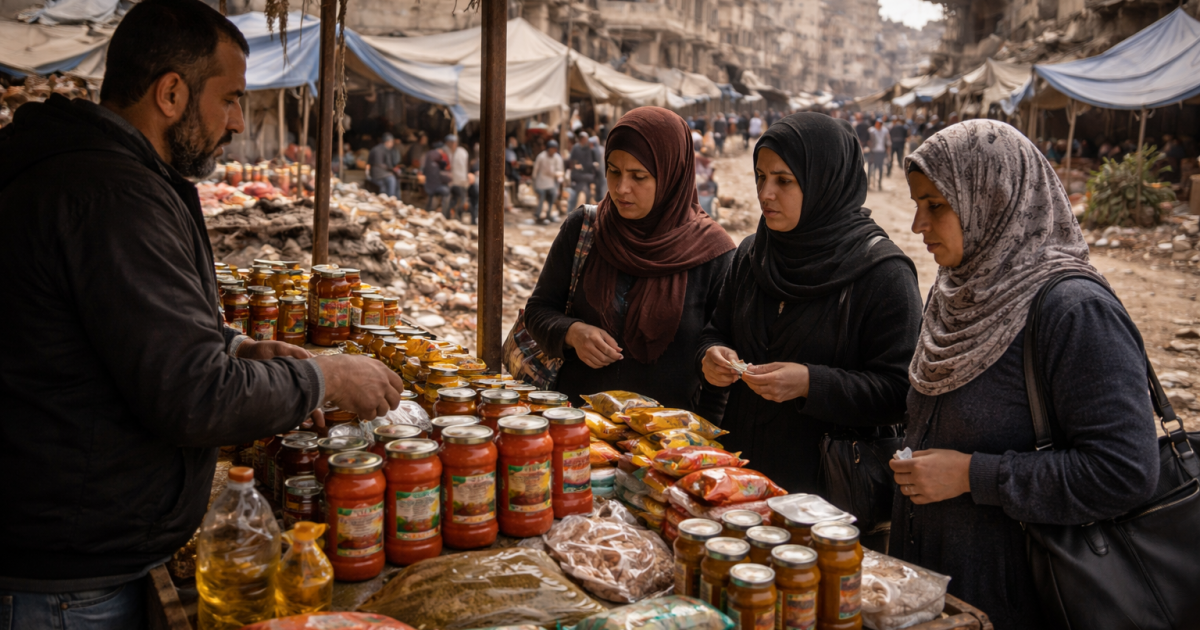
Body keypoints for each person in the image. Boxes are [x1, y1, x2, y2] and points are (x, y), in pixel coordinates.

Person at [0, 1, 405, 626]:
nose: (239, 122)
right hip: (67, 577)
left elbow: (113, 327)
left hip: (64, 544)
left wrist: (233, 345)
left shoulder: (91, 172)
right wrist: (328, 376)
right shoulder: (112, 196)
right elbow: (192, 397)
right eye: (231, 99)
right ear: (170, 93)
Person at [889, 120, 1160, 629]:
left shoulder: (1073, 311)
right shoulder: (953, 294)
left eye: (936, 206)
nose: (918, 225)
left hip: (1021, 599)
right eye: (917, 204)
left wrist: (974, 475)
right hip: (937, 594)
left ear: (993, 197)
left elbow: (1125, 471)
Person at [698, 113, 921, 494]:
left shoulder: (882, 273)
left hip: (822, 498)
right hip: (738, 480)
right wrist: (711, 354)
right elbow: (717, 328)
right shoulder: (754, 253)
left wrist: (809, 383)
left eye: (784, 180)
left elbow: (900, 392)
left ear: (825, 182)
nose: (765, 193)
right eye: (760, 177)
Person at [524, 107, 736, 415]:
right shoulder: (584, 228)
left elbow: (719, 366)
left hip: (664, 444)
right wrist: (573, 332)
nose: (622, 188)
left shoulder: (714, 253)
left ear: (671, 175)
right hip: (578, 430)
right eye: (613, 171)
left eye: (639, 176)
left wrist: (703, 442)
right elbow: (538, 310)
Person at [532, 139, 564, 224]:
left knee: (552, 198)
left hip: (551, 183)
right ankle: (538, 216)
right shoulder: (541, 157)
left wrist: (558, 178)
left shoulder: (557, 158)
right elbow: (535, 170)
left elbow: (560, 171)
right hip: (541, 182)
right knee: (541, 199)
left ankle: (549, 215)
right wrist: (534, 183)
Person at [567, 130, 597, 210]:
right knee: (578, 193)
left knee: (587, 192)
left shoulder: (587, 148)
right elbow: (572, 161)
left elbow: (589, 162)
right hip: (577, 175)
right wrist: (575, 166)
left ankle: (585, 211)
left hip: (586, 175)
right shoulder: (576, 147)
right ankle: (573, 211)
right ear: (582, 139)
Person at [423, 140, 452, 214]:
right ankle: (444, 214)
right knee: (447, 192)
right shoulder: (436, 156)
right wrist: (449, 178)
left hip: (429, 185)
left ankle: (431, 209)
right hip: (435, 186)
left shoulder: (429, 158)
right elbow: (439, 176)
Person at [367, 132, 398, 198]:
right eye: (391, 142)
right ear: (387, 142)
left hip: (374, 174)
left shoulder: (375, 148)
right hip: (380, 174)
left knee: (388, 181)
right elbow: (388, 165)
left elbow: (369, 163)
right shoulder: (385, 149)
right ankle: (391, 198)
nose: (392, 144)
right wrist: (393, 170)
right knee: (392, 179)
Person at [447, 134, 469, 221]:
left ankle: (458, 218)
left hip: (461, 180)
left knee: (461, 200)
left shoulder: (461, 152)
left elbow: (465, 166)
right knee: (454, 200)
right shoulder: (449, 152)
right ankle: (452, 217)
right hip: (453, 181)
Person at [866, 118, 890, 190]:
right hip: (873, 151)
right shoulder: (871, 130)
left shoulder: (885, 131)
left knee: (880, 168)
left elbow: (888, 141)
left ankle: (879, 184)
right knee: (870, 168)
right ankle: (868, 184)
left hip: (881, 152)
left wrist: (888, 152)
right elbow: (867, 140)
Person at [590, 134, 607, 203]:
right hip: (603, 173)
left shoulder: (594, 150)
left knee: (600, 191)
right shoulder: (602, 149)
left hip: (599, 173)